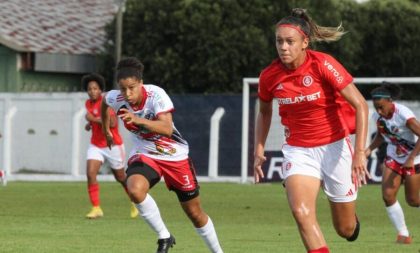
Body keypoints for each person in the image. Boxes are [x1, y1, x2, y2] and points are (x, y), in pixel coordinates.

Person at [253, 8, 370, 253]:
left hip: (335, 147)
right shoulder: (269, 76)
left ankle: (350, 219)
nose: (283, 47)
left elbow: (360, 105)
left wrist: (360, 152)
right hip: (298, 151)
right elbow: (264, 112)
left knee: (345, 229)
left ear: (305, 42)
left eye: (289, 41)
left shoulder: (323, 64)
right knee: (301, 212)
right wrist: (259, 149)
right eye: (279, 41)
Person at [101, 57, 223, 253]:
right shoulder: (117, 98)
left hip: (174, 156)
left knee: (194, 213)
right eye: (123, 89)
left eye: (132, 87)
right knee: (134, 190)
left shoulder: (156, 95)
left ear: (141, 83)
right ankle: (164, 236)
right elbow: (105, 102)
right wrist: (107, 130)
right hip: (145, 154)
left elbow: (166, 128)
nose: (127, 93)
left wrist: (138, 120)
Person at [365, 82, 420, 244]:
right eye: (376, 108)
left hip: (414, 158)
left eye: (381, 107)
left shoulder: (404, 115)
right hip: (393, 157)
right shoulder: (378, 117)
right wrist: (368, 150)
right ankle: (403, 235)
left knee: (413, 201)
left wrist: (410, 159)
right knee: (388, 196)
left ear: (390, 101)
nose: (379, 111)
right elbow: (382, 136)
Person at [81, 73, 138, 219]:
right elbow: (96, 120)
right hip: (96, 145)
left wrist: (92, 119)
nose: (92, 91)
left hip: (112, 145)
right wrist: (90, 124)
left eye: (95, 88)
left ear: (100, 90)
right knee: (90, 173)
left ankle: (135, 202)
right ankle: (96, 208)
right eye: (89, 89)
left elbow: (112, 123)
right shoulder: (88, 103)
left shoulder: (107, 102)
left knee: (120, 177)